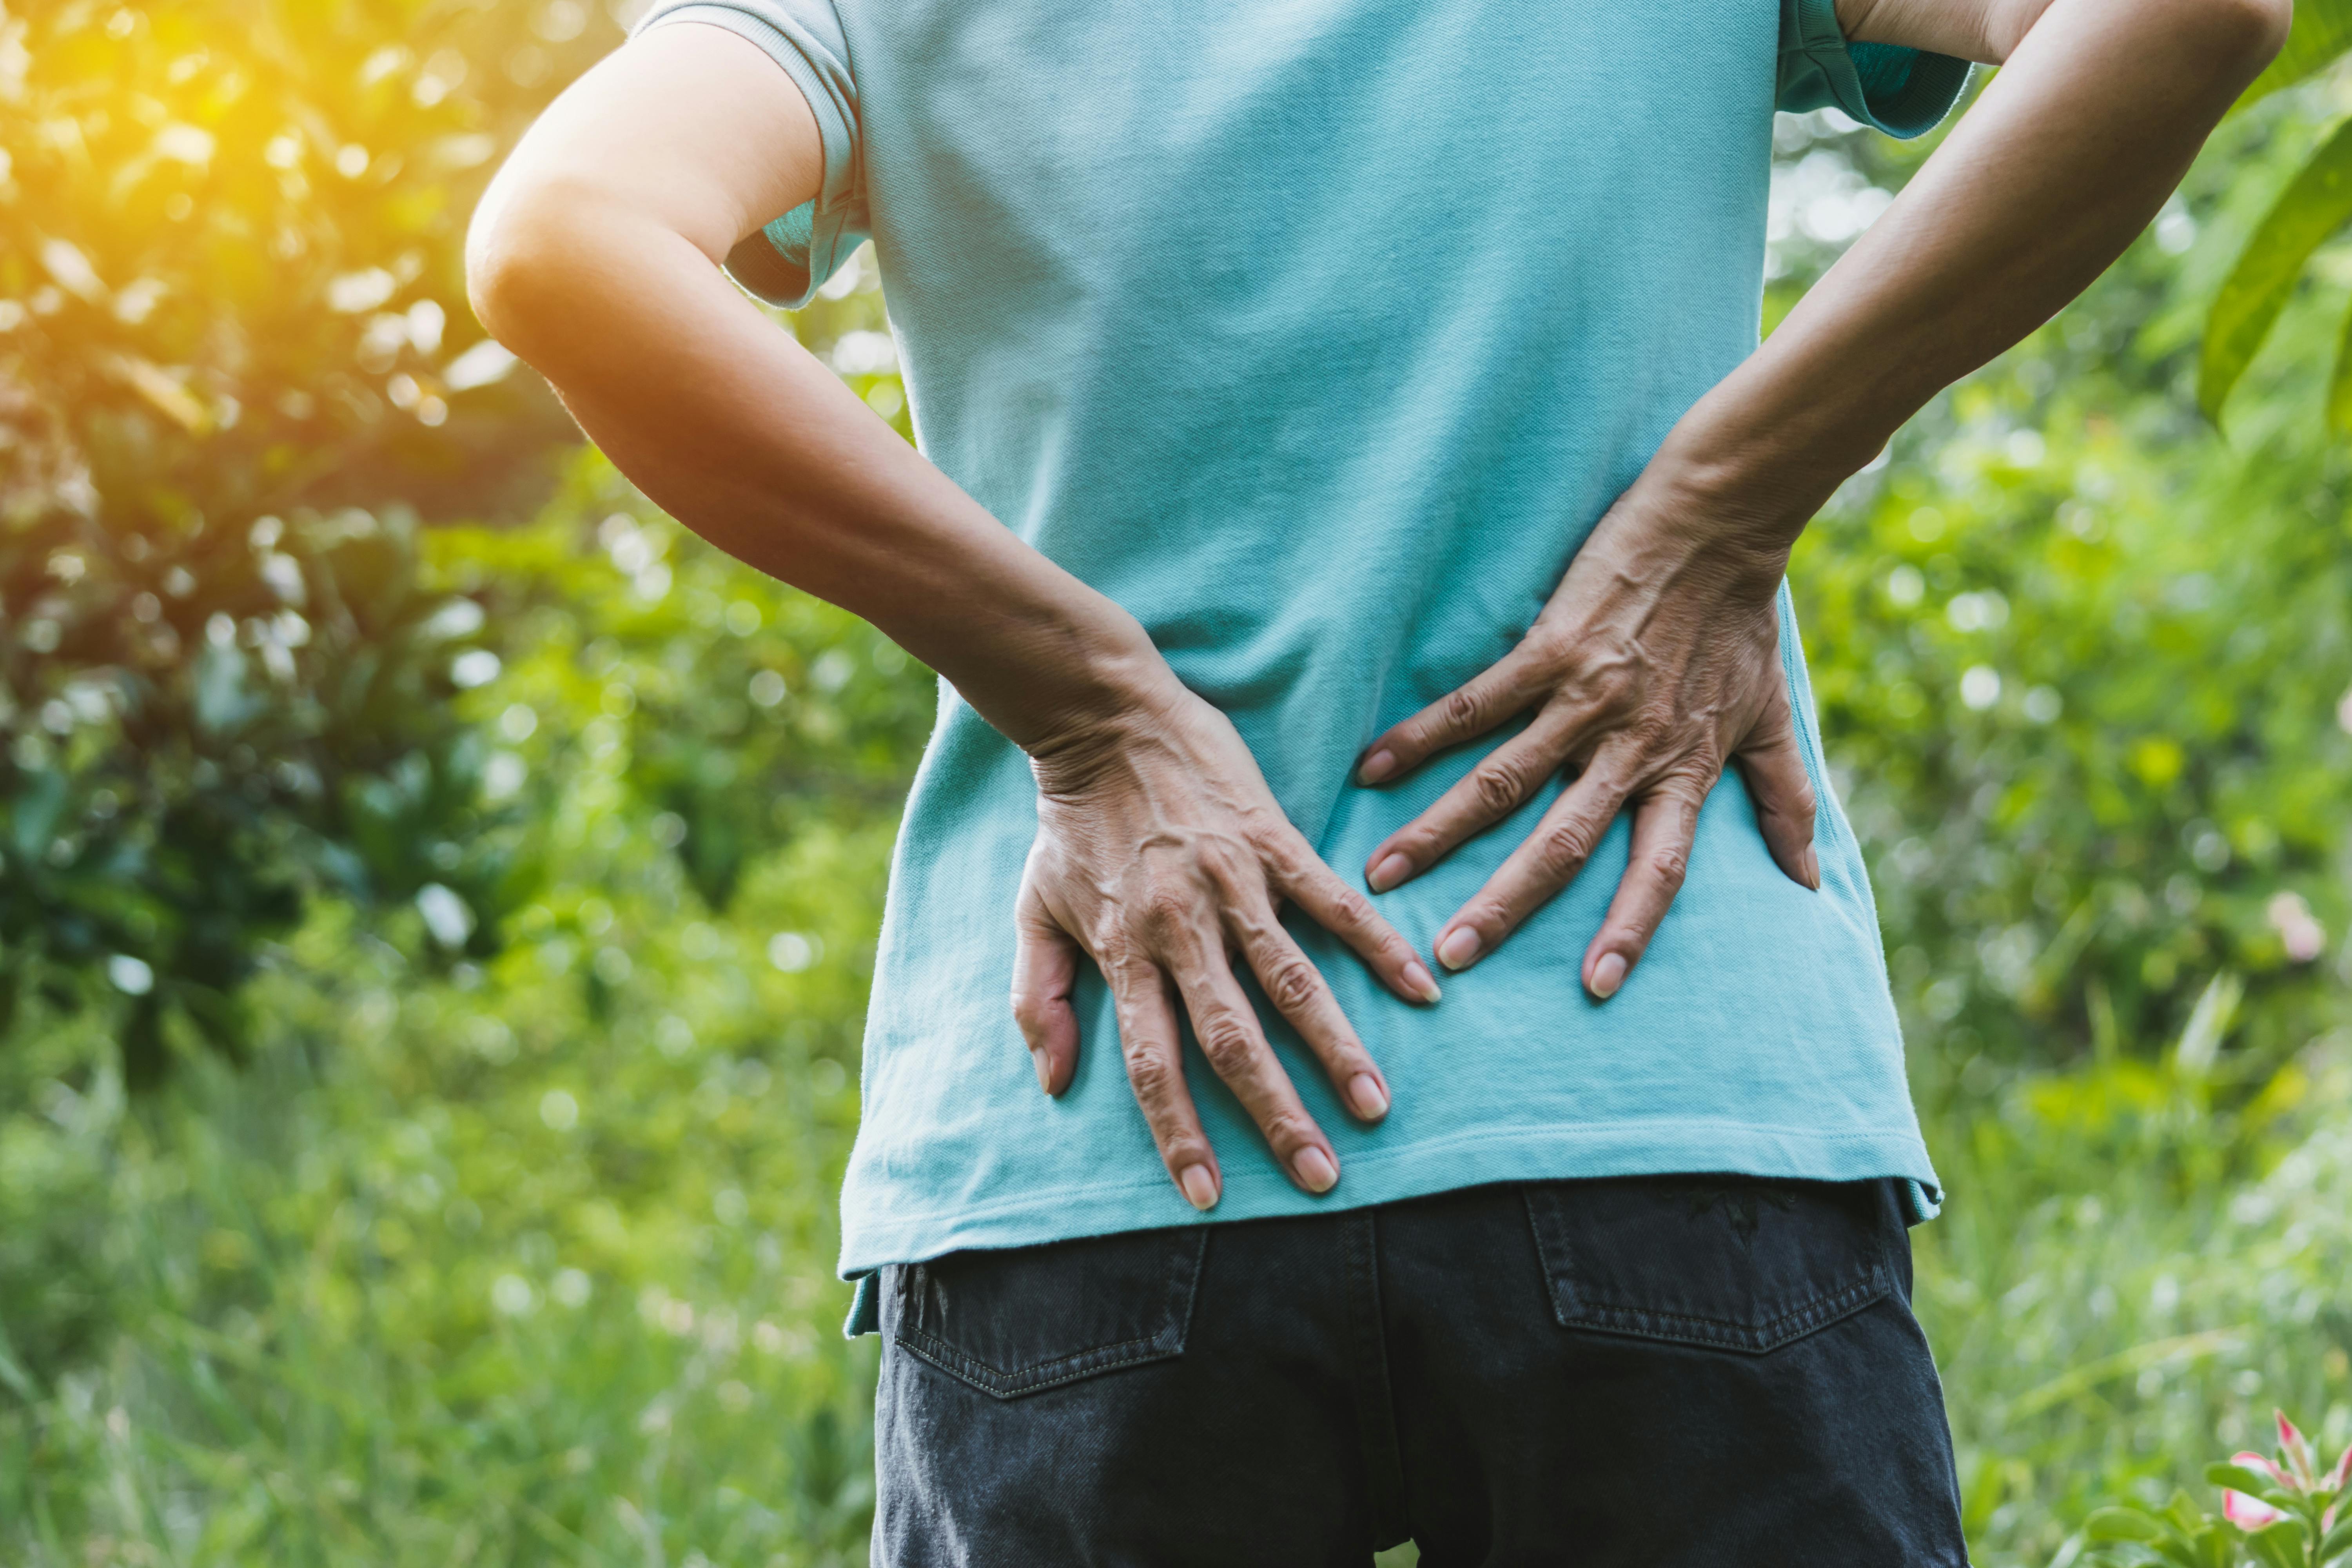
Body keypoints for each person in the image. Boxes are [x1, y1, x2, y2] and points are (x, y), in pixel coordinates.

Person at [466, 0, 2285, 1558]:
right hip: (1652, 1066)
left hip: (1112, 1125)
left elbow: (567, 233)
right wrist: (1726, 507)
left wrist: (1086, 702)